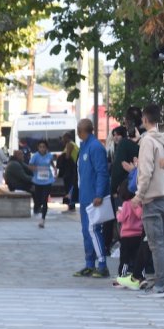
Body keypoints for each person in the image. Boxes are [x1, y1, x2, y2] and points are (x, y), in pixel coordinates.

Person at [130, 103, 164, 298]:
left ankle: (159, 286)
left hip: (153, 198)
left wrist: (138, 196)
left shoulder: (148, 141)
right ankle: (163, 281)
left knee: (155, 245)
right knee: (162, 243)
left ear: (145, 120)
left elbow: (146, 172)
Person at [73, 118, 110, 278]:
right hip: (85, 196)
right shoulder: (84, 147)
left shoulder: (95, 147)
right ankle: (90, 263)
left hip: (93, 197)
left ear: (81, 131)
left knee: (93, 230)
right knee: (86, 231)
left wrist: (99, 194)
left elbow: (102, 172)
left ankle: (102, 265)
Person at [114, 181, 145, 290]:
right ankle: (141, 277)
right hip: (138, 234)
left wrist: (118, 214)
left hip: (126, 236)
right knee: (138, 257)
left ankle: (121, 277)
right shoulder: (138, 203)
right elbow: (140, 214)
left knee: (125, 259)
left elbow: (121, 218)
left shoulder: (126, 204)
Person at [29, 140, 55, 229]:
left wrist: (54, 169)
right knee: (38, 199)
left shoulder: (49, 155)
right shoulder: (35, 156)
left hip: (48, 180)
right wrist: (36, 168)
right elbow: (30, 166)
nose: (42, 148)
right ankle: (37, 208)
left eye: (44, 147)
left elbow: (51, 163)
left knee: (45, 200)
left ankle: (42, 219)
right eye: (40, 147)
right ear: (38, 148)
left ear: (46, 148)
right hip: (38, 181)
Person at [58, 132, 79, 211]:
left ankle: (71, 203)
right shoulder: (73, 144)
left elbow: (67, 156)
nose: (62, 140)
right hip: (73, 168)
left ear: (67, 137)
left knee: (69, 185)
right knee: (71, 185)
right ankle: (71, 202)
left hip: (70, 169)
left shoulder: (69, 144)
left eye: (63, 138)